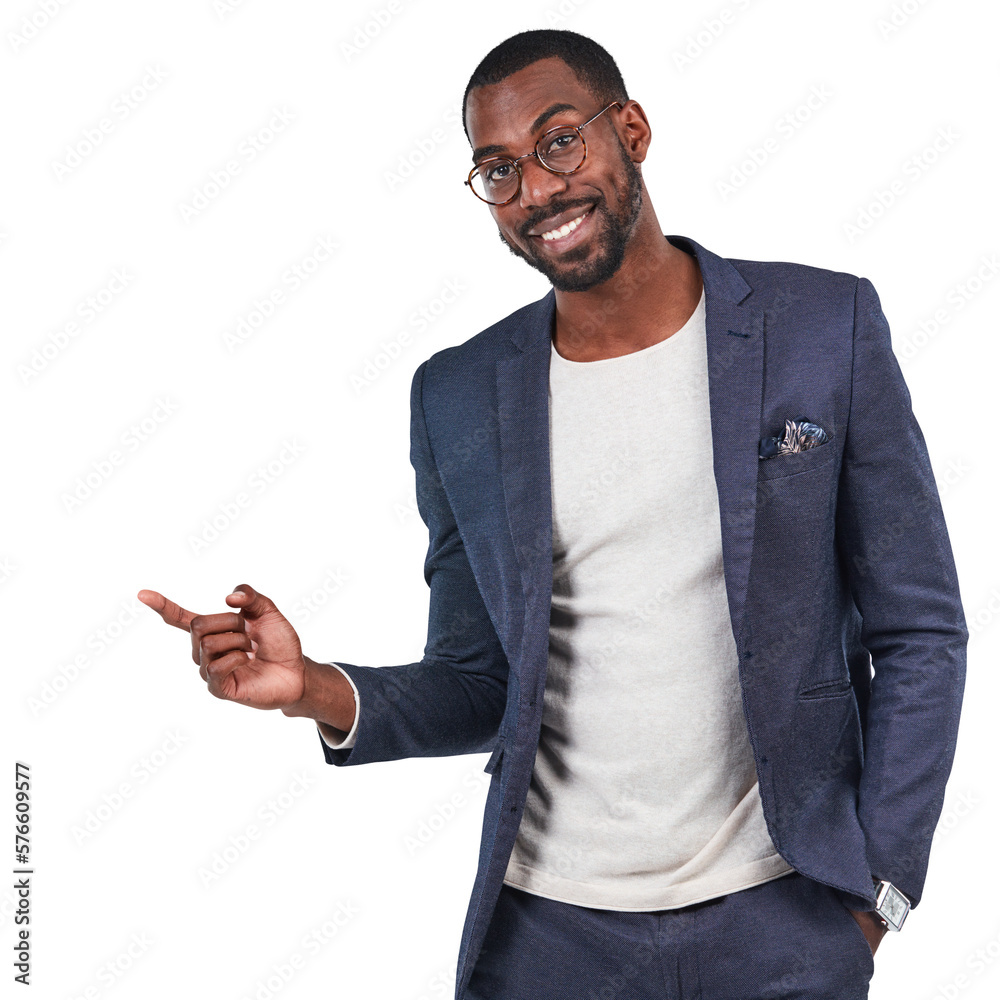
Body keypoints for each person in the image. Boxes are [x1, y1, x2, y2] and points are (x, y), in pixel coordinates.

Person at [139, 29, 968, 1000]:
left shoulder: (823, 328)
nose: (534, 187)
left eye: (559, 141)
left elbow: (919, 629)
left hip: (779, 917)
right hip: (546, 938)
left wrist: (876, 893)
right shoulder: (457, 395)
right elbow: (483, 679)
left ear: (632, 129)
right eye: (497, 168)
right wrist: (316, 685)